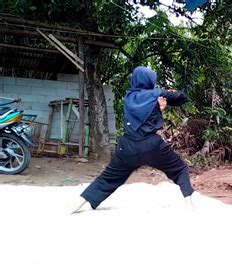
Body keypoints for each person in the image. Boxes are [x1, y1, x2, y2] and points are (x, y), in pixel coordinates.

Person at [72, 66, 194, 213]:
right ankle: (190, 206)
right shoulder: (155, 94)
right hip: (151, 146)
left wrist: (159, 108)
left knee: (107, 178)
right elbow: (182, 98)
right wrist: (168, 96)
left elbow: (143, 116)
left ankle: (75, 207)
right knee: (180, 168)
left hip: (127, 147)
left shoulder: (129, 96)